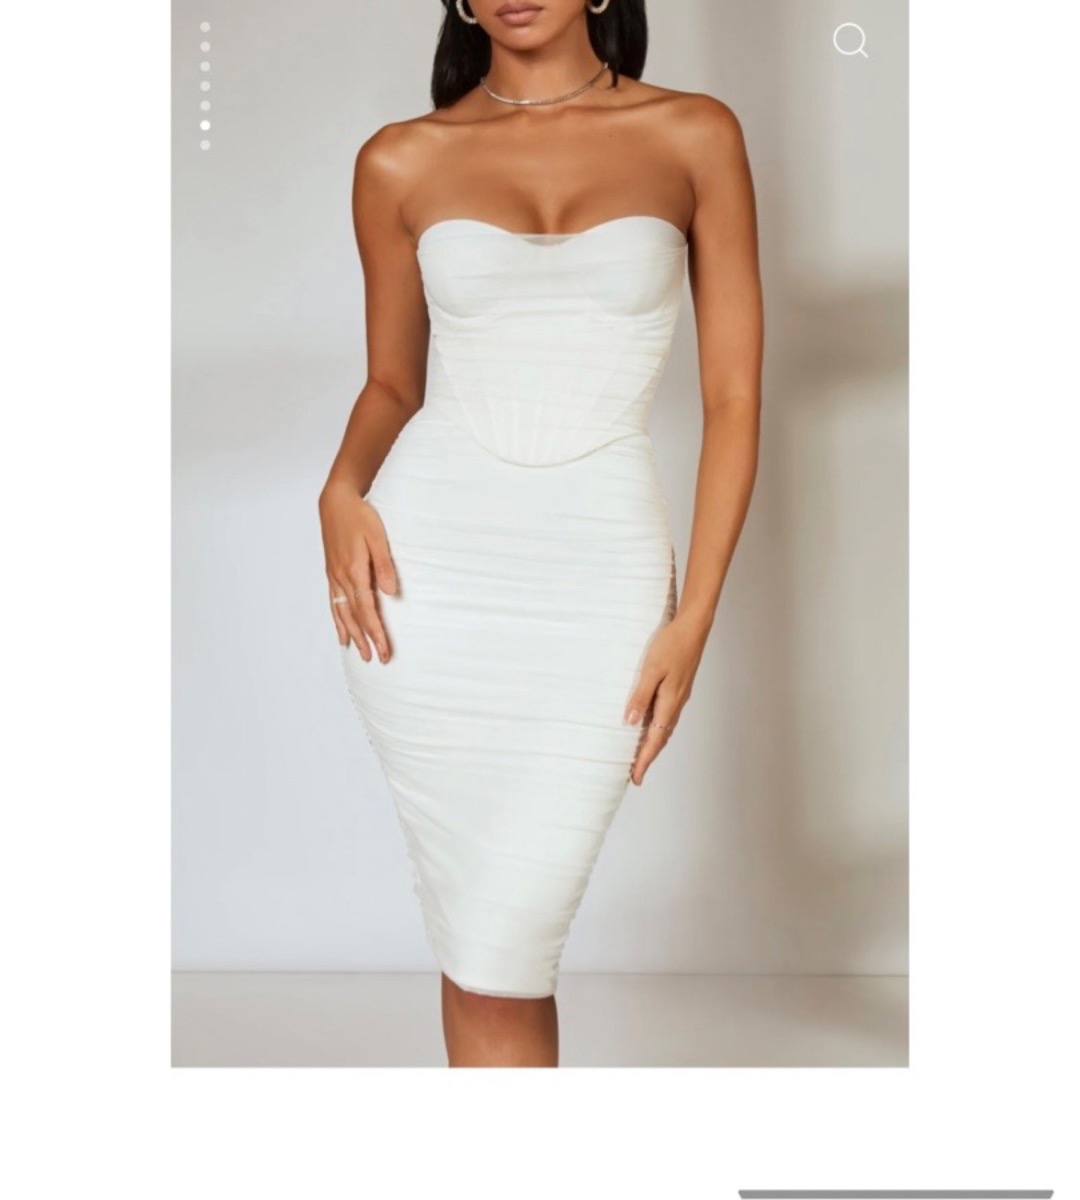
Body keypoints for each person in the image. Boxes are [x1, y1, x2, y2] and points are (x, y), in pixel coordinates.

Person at [318, 0, 762, 1068]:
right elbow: (392, 383)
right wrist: (337, 490)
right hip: (430, 582)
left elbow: (735, 399)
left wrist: (695, 615)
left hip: (602, 574)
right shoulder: (398, 160)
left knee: (511, 931)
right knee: (484, 942)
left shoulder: (695, 134)